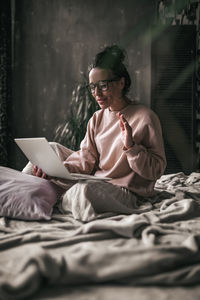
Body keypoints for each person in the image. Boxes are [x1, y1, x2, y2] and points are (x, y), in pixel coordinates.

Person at [23, 45, 167, 221]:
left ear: (121, 83)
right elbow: (86, 159)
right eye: (92, 87)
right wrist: (57, 171)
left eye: (103, 86)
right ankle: (25, 195)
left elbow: (156, 171)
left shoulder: (145, 117)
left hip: (126, 191)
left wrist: (131, 146)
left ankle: (46, 193)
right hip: (96, 180)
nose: (96, 93)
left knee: (82, 191)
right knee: (49, 150)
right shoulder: (97, 118)